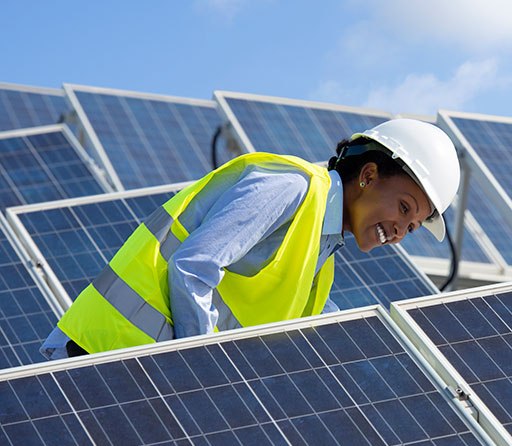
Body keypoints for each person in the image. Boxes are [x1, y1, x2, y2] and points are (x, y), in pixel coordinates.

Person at [40, 118, 461, 358]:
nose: (399, 233)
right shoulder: (291, 187)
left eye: (411, 227)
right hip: (103, 352)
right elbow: (193, 267)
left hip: (139, 370)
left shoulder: (321, 263)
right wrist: (203, 371)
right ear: (368, 175)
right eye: (404, 208)